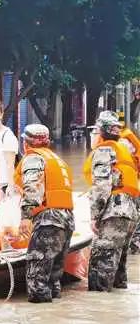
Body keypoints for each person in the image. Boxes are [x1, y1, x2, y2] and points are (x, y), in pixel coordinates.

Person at [15, 124, 75, 303]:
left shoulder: (33, 158)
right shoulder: (57, 160)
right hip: (66, 219)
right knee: (53, 278)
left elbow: (32, 188)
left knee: (37, 280)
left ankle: (40, 322)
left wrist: (25, 216)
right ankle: (53, 321)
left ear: (25, 143)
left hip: (48, 220)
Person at [84, 111, 139, 291]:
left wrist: (95, 216)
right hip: (130, 211)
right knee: (117, 271)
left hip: (114, 210)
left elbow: (102, 186)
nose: (93, 136)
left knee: (100, 268)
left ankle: (100, 314)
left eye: (94, 132)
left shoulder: (103, 150)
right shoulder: (123, 150)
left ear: (101, 133)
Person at [116, 114, 140, 254]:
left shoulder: (123, 142)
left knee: (133, 214)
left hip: (131, 184)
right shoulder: (128, 139)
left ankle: (133, 244)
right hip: (134, 182)